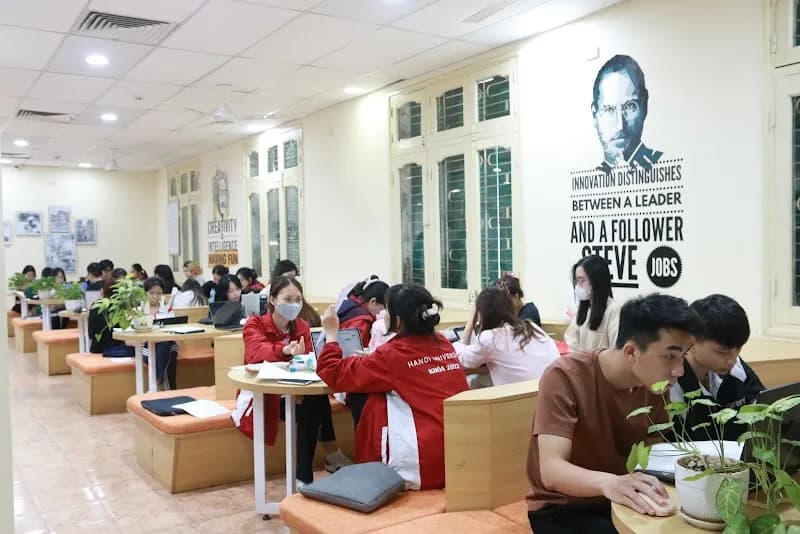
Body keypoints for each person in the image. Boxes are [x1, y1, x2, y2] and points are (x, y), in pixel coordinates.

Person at [526, 294, 703, 533]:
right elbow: (552, 470)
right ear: (631, 352)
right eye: (670, 356)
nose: (679, 371)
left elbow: (652, 454)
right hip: (564, 506)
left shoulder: (655, 385)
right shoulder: (565, 376)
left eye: (683, 356)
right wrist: (611, 483)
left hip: (622, 497)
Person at [317, 283, 469, 490]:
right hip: (461, 455)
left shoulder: (392, 355)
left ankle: (371, 472)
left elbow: (333, 372)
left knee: (369, 398)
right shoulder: (443, 342)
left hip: (425, 463)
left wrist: (332, 335)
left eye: (386, 310)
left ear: (397, 320)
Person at [231, 277, 332, 486]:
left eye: (298, 299)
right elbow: (255, 353)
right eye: (287, 299)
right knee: (313, 406)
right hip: (264, 396)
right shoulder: (255, 324)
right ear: (273, 300)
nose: (294, 304)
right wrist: (284, 350)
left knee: (317, 402)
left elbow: (307, 362)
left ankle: (303, 477)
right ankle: (329, 456)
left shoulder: (301, 325)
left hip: (293, 393)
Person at [669, 294, 764, 442]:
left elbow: (763, 407)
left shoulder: (735, 366)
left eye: (738, 349)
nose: (732, 360)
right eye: (722, 352)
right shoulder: (672, 382)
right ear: (692, 341)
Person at [453, 287, 558, 387]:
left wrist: (470, 322)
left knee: (473, 381)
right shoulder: (531, 326)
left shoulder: (490, 338)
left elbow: (462, 360)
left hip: (522, 399)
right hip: (549, 392)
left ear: (482, 312)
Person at [591, 54, 662, 174]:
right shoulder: (594, 176)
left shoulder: (659, 166)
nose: (620, 125)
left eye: (630, 107)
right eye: (609, 110)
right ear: (594, 115)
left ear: (644, 107)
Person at [337, 277, 390, 426]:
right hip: (350, 375)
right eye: (384, 308)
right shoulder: (362, 320)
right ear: (373, 302)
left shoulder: (348, 306)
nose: (385, 313)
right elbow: (352, 351)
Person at [564, 255, 621, 352]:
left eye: (582, 280)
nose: (578, 285)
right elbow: (571, 341)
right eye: (577, 281)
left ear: (597, 281)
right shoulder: (583, 309)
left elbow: (615, 351)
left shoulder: (614, 310)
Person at [142, 277, 179, 389]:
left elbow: (174, 331)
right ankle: (166, 385)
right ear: (145, 293)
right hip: (147, 346)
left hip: (166, 343)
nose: (155, 296)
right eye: (151, 293)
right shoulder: (139, 310)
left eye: (158, 293)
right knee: (167, 353)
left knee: (166, 347)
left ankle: (158, 381)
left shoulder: (168, 310)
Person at [88, 276, 135, 358]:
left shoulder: (95, 306)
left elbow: (91, 334)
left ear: (102, 291)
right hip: (119, 350)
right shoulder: (124, 307)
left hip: (97, 349)